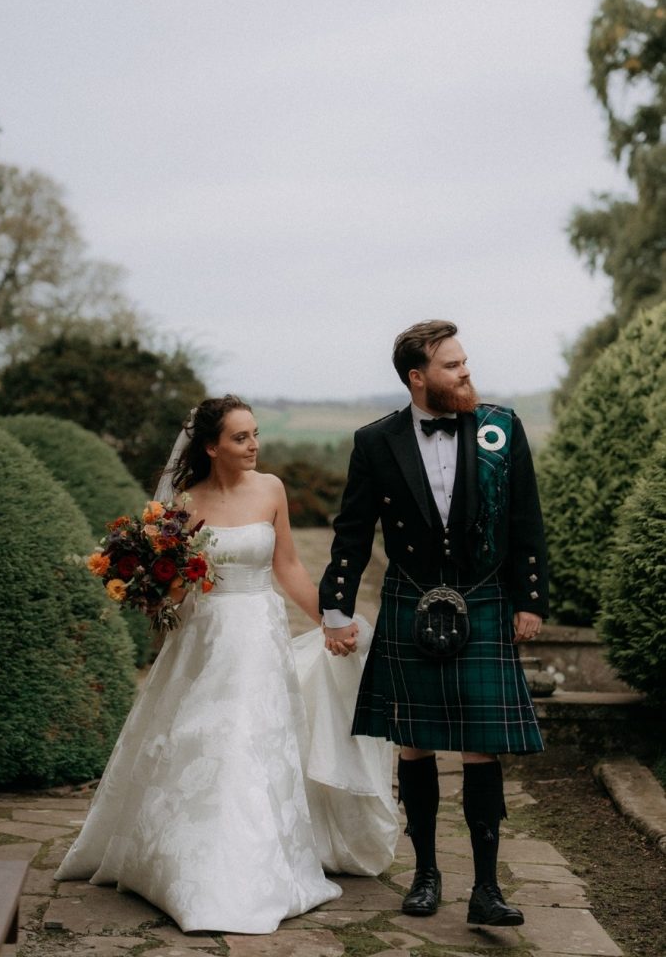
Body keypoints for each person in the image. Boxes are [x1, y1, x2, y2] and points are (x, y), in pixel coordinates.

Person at [55, 395, 397, 934]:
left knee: (251, 742)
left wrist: (330, 620)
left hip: (260, 635)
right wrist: (152, 588)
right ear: (212, 447)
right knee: (200, 740)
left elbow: (288, 565)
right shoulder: (182, 504)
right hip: (205, 638)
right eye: (241, 437)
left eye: (256, 433)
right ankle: (187, 868)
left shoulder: (272, 489)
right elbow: (173, 588)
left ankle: (250, 867)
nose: (254, 445)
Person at [319, 320, 548, 927]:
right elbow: (352, 530)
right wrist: (336, 609)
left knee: (483, 746)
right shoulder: (377, 441)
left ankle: (487, 889)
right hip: (412, 595)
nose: (466, 372)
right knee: (414, 743)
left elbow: (526, 519)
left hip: (483, 596)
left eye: (465, 361)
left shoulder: (501, 428)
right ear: (418, 378)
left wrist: (529, 600)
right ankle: (425, 875)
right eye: (453, 365)